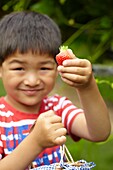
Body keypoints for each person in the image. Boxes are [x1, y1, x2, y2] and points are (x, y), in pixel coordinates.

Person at [0, 11, 111, 170]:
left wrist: (87, 87)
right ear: (1, 69)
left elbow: (100, 133)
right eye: (19, 68)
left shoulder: (57, 108)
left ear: (57, 68)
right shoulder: (2, 118)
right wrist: (36, 142)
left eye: (44, 68)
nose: (32, 81)